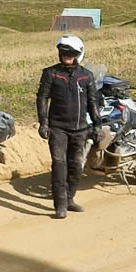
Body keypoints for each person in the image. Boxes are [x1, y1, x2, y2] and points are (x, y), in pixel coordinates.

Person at [36, 33, 100, 219]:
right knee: (59, 165)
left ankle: (70, 198)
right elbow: (42, 98)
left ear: (78, 55)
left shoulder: (86, 76)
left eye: (70, 54)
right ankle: (61, 205)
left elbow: (92, 101)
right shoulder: (50, 73)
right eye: (64, 54)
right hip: (58, 128)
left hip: (80, 129)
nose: (67, 57)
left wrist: (97, 125)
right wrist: (43, 123)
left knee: (76, 166)